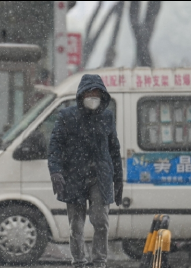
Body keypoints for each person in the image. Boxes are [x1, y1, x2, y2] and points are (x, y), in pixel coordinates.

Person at [48, 74, 123, 268]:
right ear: (81, 95)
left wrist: (118, 180)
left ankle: (99, 261)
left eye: (96, 93)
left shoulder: (107, 116)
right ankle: (79, 261)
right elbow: (55, 145)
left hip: (100, 176)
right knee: (76, 225)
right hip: (74, 177)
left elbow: (114, 149)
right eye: (89, 92)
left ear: (102, 95)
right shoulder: (67, 116)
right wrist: (55, 172)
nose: (93, 96)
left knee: (100, 221)